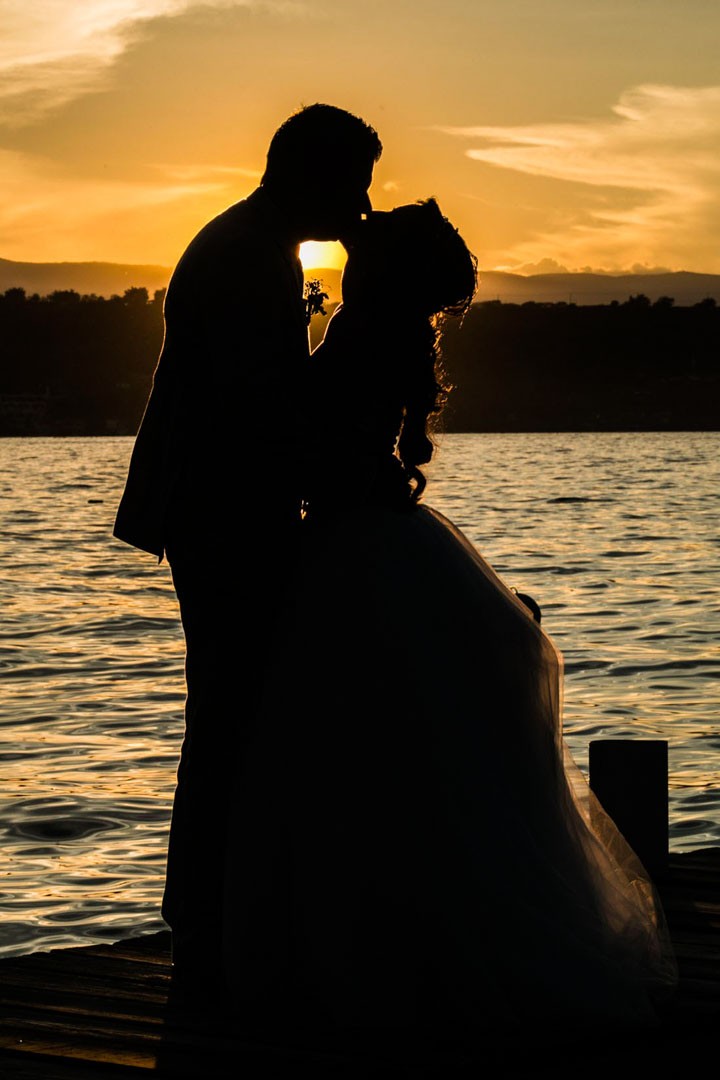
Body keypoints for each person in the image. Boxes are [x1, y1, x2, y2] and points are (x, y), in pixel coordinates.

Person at [220, 199, 678, 1060]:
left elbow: (325, 449)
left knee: (355, 748)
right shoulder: (387, 335)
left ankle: (363, 941)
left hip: (346, 547)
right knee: (431, 730)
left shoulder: (357, 333)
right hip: (380, 538)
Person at [112, 103, 383, 986]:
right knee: (231, 714)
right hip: (222, 510)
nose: (362, 205)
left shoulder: (258, 246)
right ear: (312, 175)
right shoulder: (244, 257)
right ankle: (207, 922)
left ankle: (226, 914)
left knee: (238, 710)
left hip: (226, 506)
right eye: (354, 185)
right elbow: (257, 405)